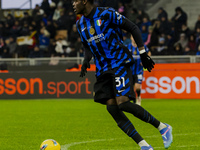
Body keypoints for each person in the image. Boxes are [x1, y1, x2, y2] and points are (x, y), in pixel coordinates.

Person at [72, 0, 173, 150]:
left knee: (123, 103)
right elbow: (87, 46)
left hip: (119, 62)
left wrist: (143, 53)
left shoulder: (106, 13)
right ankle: (144, 145)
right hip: (102, 69)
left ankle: (162, 127)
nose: (73, 4)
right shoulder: (80, 24)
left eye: (75, 1)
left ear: (85, 1)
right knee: (112, 107)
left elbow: (133, 27)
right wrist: (86, 60)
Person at [127, 36, 150, 106]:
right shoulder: (127, 47)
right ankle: (133, 99)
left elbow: (149, 53)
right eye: (132, 37)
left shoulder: (142, 47)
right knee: (130, 86)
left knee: (137, 86)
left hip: (139, 70)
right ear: (130, 38)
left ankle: (139, 97)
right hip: (130, 71)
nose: (134, 38)